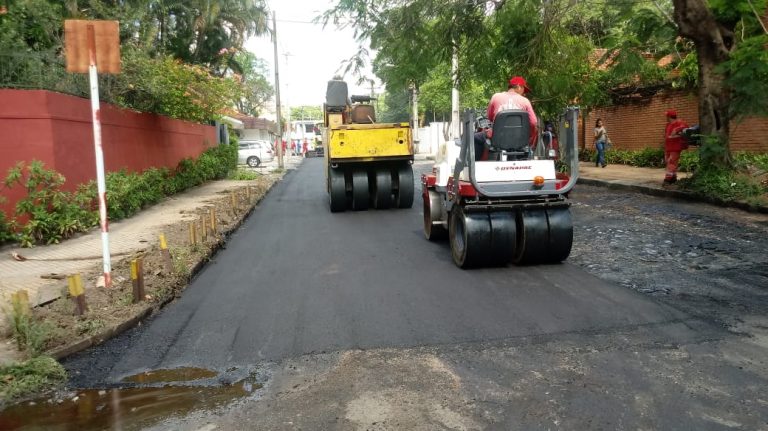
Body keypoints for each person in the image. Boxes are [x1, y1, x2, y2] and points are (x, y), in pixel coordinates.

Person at [474, 76, 538, 160]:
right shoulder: (525, 101)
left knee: (475, 138)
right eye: (523, 89)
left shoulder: (496, 97)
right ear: (519, 87)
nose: (524, 93)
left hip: (497, 138)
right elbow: (533, 122)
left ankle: (477, 164)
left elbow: (489, 117)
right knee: (516, 148)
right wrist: (529, 136)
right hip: (518, 139)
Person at [663, 109, 689, 184]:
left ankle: (667, 179)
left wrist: (676, 129)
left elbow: (685, 128)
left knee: (671, 161)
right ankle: (673, 178)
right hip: (668, 146)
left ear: (669, 116)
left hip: (675, 147)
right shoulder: (668, 124)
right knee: (668, 161)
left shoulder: (680, 123)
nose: (666, 117)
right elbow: (667, 135)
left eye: (667, 116)